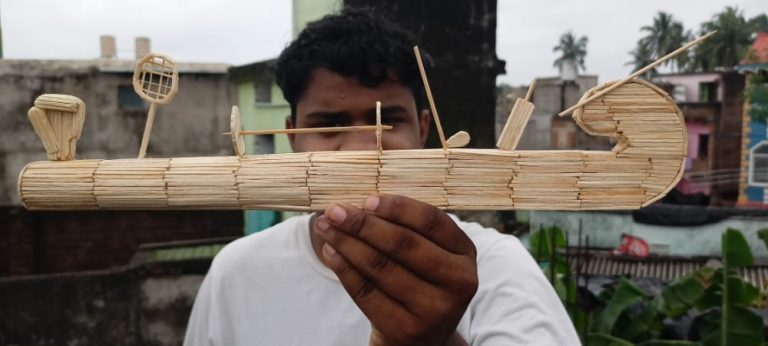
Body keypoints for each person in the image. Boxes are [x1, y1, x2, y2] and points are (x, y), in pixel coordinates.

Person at [184, 8, 579, 346]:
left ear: (423, 131)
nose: (360, 150)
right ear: (293, 137)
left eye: (386, 121)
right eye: (329, 124)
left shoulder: (495, 267)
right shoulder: (234, 274)